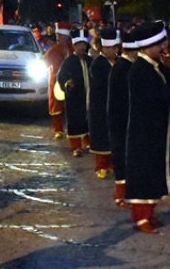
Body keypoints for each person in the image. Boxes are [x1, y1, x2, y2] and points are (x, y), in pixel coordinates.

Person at [123, 21, 170, 234]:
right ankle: (141, 219)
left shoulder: (156, 67)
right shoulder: (139, 70)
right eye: (160, 44)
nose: (164, 48)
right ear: (148, 46)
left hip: (156, 131)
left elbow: (168, 91)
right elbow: (161, 97)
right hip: (144, 132)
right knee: (143, 174)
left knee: (153, 172)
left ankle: (150, 213)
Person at [107, 29, 140, 206]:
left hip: (121, 120)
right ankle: (121, 195)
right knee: (123, 159)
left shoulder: (123, 66)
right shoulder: (124, 68)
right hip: (121, 121)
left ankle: (124, 194)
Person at [88, 27, 120, 178]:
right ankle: (101, 166)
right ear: (103, 48)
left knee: (115, 137)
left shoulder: (119, 62)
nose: (113, 51)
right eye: (109, 48)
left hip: (116, 107)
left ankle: (114, 164)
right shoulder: (98, 64)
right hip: (101, 107)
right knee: (102, 137)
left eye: (115, 47)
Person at [55, 28, 92, 157]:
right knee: (75, 120)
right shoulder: (69, 61)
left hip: (88, 96)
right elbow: (61, 77)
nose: (82, 47)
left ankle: (88, 142)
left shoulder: (90, 60)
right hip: (74, 97)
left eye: (84, 44)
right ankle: (76, 147)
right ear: (74, 46)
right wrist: (67, 84)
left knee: (88, 119)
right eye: (79, 45)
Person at [43, 24, 71, 139]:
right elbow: (44, 62)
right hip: (56, 81)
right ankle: (58, 129)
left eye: (60, 35)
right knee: (56, 105)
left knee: (72, 106)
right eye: (57, 35)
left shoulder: (72, 48)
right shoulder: (53, 49)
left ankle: (74, 131)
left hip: (71, 80)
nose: (58, 37)